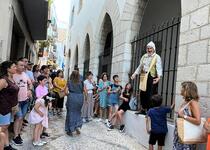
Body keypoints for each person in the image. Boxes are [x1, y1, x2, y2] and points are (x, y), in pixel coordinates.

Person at [131, 41, 162, 114]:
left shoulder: (157, 57)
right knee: (142, 93)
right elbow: (140, 66)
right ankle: (143, 109)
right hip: (143, 76)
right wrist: (135, 74)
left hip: (151, 77)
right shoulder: (144, 56)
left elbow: (159, 68)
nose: (149, 50)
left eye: (150, 48)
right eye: (148, 48)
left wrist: (159, 77)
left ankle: (149, 110)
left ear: (153, 49)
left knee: (150, 94)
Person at [173, 81, 201, 150]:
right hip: (180, 136)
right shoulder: (186, 102)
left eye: (182, 88)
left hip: (187, 138)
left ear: (187, 90)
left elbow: (198, 121)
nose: (181, 89)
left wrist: (183, 116)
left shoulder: (193, 103)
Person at [12, 60, 32, 145]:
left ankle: (18, 134)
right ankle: (15, 136)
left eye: (24, 65)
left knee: (22, 118)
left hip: (25, 100)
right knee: (19, 117)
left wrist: (30, 90)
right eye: (21, 65)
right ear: (16, 66)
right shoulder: (13, 75)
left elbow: (30, 83)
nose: (23, 67)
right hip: (17, 101)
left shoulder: (25, 74)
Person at [0, 61, 19, 150]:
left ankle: (6, 146)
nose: (16, 68)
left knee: (5, 127)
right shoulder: (4, 80)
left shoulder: (11, 78)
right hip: (4, 108)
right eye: (14, 67)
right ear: (8, 69)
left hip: (11, 108)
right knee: (3, 127)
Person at [65, 70, 84, 136]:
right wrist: (86, 98)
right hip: (80, 97)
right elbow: (84, 90)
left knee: (70, 113)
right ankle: (76, 126)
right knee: (78, 112)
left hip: (72, 97)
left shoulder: (69, 81)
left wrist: (69, 95)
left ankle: (69, 129)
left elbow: (66, 92)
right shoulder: (81, 80)